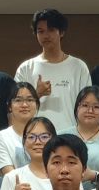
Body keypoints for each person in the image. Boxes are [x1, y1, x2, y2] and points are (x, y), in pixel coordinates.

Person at [12, 7, 92, 135]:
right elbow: (15, 108)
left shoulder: (78, 67)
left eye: (51, 30)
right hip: (35, 138)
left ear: (61, 32)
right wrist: (36, 94)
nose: (46, 35)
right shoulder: (26, 68)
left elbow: (87, 106)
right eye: (41, 31)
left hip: (70, 137)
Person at [0, 116, 59, 190]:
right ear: (24, 142)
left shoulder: (65, 174)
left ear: (54, 140)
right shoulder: (12, 177)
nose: (37, 142)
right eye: (31, 137)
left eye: (44, 137)